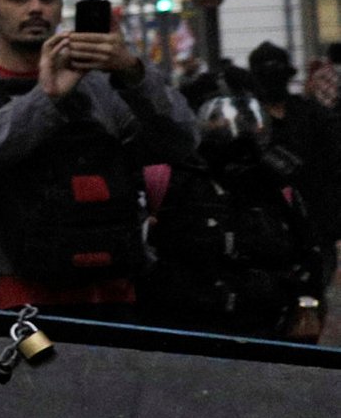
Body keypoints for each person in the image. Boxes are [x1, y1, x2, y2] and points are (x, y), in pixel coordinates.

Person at [0, 0, 195, 319]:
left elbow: (182, 141)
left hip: (112, 296)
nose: (36, 8)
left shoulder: (99, 85)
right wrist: (45, 100)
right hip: (15, 302)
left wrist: (133, 72)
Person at [144, 71, 314, 341]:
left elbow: (307, 259)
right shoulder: (169, 179)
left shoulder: (278, 184)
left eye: (246, 117)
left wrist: (306, 316)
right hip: (188, 328)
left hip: (266, 326)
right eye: (217, 118)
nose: (233, 127)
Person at [244, 41, 341, 327]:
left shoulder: (311, 115)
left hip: (312, 229)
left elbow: (333, 166)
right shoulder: (248, 117)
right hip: (264, 230)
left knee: (309, 298)